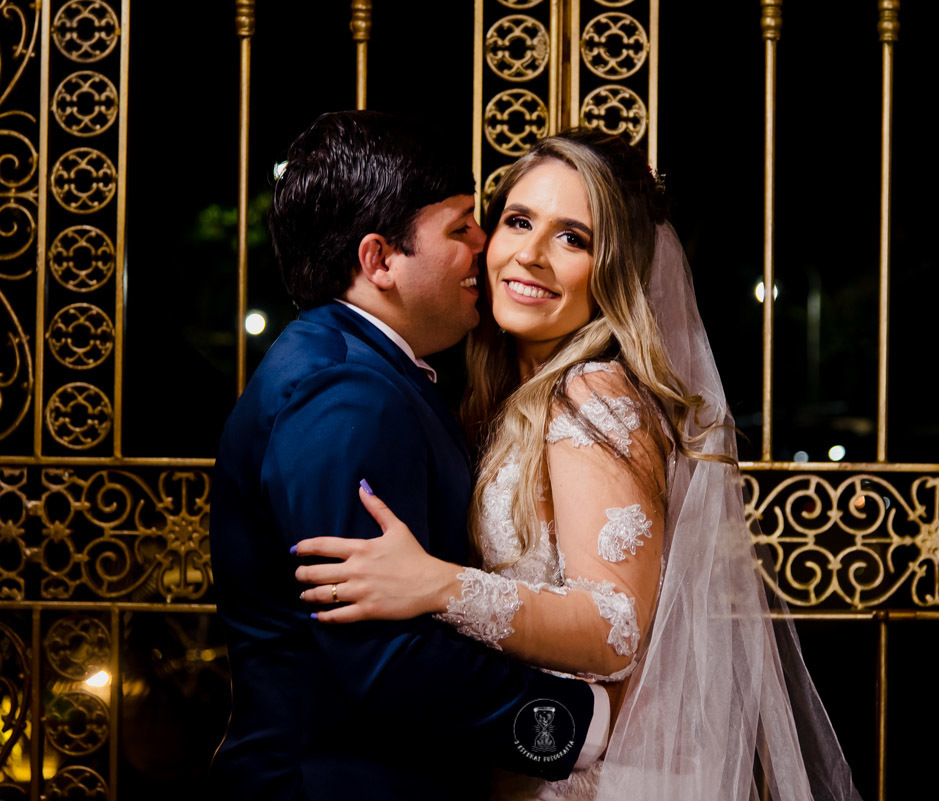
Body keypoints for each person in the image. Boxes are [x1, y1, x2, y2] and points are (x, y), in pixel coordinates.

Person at [293, 130, 862, 801]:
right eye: (519, 221)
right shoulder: (512, 397)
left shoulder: (593, 395)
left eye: (573, 238)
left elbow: (615, 625)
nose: (529, 256)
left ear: (612, 271)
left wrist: (437, 585)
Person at [208, 112, 612, 801]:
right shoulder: (345, 395)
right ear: (379, 260)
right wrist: (579, 721)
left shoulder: (364, 367)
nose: (486, 245)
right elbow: (380, 654)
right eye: (460, 227)